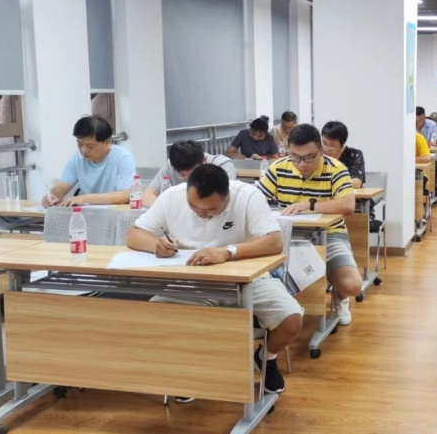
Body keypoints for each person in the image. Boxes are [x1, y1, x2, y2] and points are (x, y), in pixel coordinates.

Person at [127, 164, 303, 396]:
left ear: (227, 196)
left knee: (291, 320)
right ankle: (191, 368)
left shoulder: (248, 196)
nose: (201, 213)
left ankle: (266, 357)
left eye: (210, 209)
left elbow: (274, 241)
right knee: (158, 317)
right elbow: (134, 234)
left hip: (249, 278)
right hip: (192, 281)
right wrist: (155, 245)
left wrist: (228, 251)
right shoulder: (171, 196)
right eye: (193, 206)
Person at [257, 124, 363, 326]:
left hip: (330, 233)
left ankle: (340, 297)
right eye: (295, 157)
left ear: (321, 150)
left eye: (308, 157)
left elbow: (348, 205)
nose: (301, 164)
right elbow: (256, 200)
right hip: (287, 236)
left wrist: (310, 205)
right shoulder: (279, 167)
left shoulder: (336, 169)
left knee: (351, 285)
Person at [43, 115, 136, 207]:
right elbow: (61, 187)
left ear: (108, 142)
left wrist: (84, 198)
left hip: (113, 212)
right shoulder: (77, 158)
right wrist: (52, 195)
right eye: (80, 144)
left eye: (90, 146)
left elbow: (125, 195)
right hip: (85, 212)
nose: (84, 150)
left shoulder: (122, 158)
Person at [142, 140, 236, 207]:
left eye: (193, 173)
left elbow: (227, 200)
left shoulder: (222, 165)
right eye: (182, 175)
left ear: (204, 161)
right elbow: (148, 195)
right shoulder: (172, 164)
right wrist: (167, 209)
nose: (188, 178)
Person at [321, 121, 365, 188]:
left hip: (350, 194)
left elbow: (356, 183)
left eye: (332, 145)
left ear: (342, 144)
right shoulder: (319, 154)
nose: (326, 148)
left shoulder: (354, 155)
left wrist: (328, 184)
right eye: (324, 143)